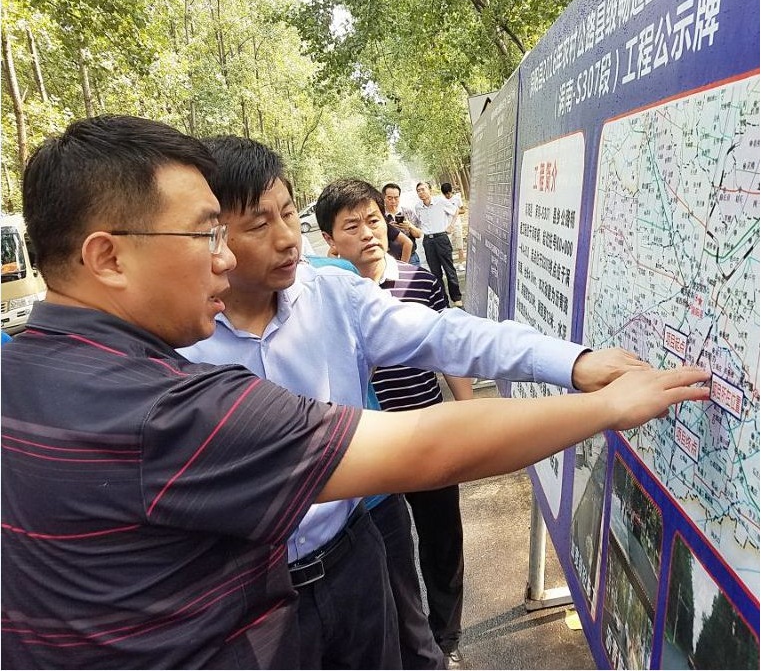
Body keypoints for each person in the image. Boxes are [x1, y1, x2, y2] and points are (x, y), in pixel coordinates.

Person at [1, 115, 710, 670]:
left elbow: (450, 336)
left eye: (285, 216)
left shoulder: (26, 373)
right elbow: (426, 448)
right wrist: (605, 407)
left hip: (343, 560)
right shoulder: (168, 406)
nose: (228, 254)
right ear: (108, 255)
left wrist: (572, 363)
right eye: (209, 234)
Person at [316, 178, 474, 667]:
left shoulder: (419, 281)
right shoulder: (320, 299)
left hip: (428, 437)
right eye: (352, 226)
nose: (368, 233)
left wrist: (466, 413)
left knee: (442, 541)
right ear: (328, 239)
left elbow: (450, 345)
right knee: (387, 552)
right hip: (367, 450)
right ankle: (411, 645)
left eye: (373, 220)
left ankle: (446, 638)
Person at [413, 181, 462, 307]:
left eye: (423, 189)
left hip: (441, 238)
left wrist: (451, 226)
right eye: (418, 190)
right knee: (435, 273)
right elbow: (419, 223)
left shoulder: (440, 201)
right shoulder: (418, 207)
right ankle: (443, 301)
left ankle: (456, 298)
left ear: (429, 190)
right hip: (428, 241)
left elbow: (456, 210)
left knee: (449, 269)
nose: (421, 192)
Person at [383, 182, 422, 265]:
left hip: (411, 258)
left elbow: (419, 234)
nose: (393, 201)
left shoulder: (407, 212)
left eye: (396, 198)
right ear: (384, 197)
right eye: (390, 198)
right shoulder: (380, 215)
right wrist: (388, 229)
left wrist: (410, 226)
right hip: (390, 260)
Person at [441, 182, 466, 271]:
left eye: (449, 193)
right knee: (447, 247)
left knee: (460, 245)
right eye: (445, 194)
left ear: (451, 191)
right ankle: (449, 265)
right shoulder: (441, 201)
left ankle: (460, 264)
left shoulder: (457, 198)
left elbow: (463, 210)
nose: (447, 196)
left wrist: (455, 211)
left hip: (457, 225)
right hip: (446, 226)